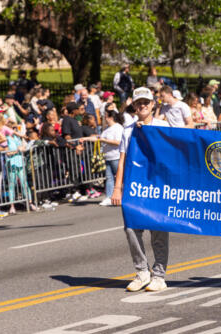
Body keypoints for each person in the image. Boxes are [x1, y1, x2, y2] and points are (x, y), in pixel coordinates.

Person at [112, 87, 170, 292]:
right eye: (139, 103)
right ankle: (142, 271)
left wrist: (148, 133)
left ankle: (159, 274)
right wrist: (117, 188)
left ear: (153, 104)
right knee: (131, 229)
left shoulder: (163, 126)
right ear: (134, 106)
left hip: (159, 187)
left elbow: (175, 150)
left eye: (146, 102)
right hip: (135, 188)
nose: (143, 105)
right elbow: (122, 160)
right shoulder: (128, 130)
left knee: (158, 231)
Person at [84, 106, 124, 206]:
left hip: (116, 157)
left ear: (110, 117)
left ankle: (125, 195)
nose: (104, 118)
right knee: (109, 178)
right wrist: (85, 139)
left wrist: (104, 140)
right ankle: (109, 197)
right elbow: (98, 138)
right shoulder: (106, 129)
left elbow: (119, 142)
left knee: (120, 178)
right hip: (107, 157)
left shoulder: (118, 128)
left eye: (106, 116)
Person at [5, 122, 36, 214]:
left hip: (20, 162)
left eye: (15, 128)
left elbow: (23, 146)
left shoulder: (16, 138)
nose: (15, 130)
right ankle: (12, 206)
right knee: (12, 184)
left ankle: (30, 203)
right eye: (13, 128)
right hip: (12, 163)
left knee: (24, 183)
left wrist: (23, 142)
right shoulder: (6, 139)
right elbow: (7, 152)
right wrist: (17, 150)